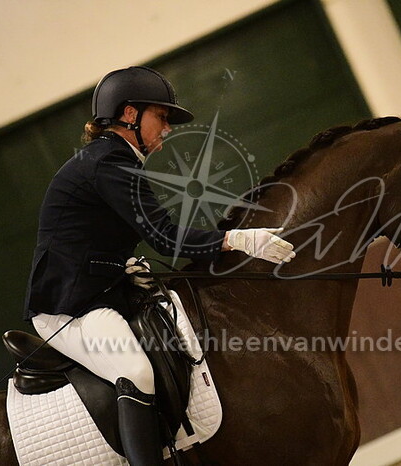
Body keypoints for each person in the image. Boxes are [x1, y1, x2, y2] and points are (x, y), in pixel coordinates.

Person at [23, 66, 295, 465]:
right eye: (162, 117)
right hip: (68, 307)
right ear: (129, 114)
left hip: (99, 292)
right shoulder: (109, 162)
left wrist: (120, 264)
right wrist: (236, 239)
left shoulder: (112, 159)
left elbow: (88, 238)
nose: (167, 129)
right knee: (136, 372)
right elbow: (164, 237)